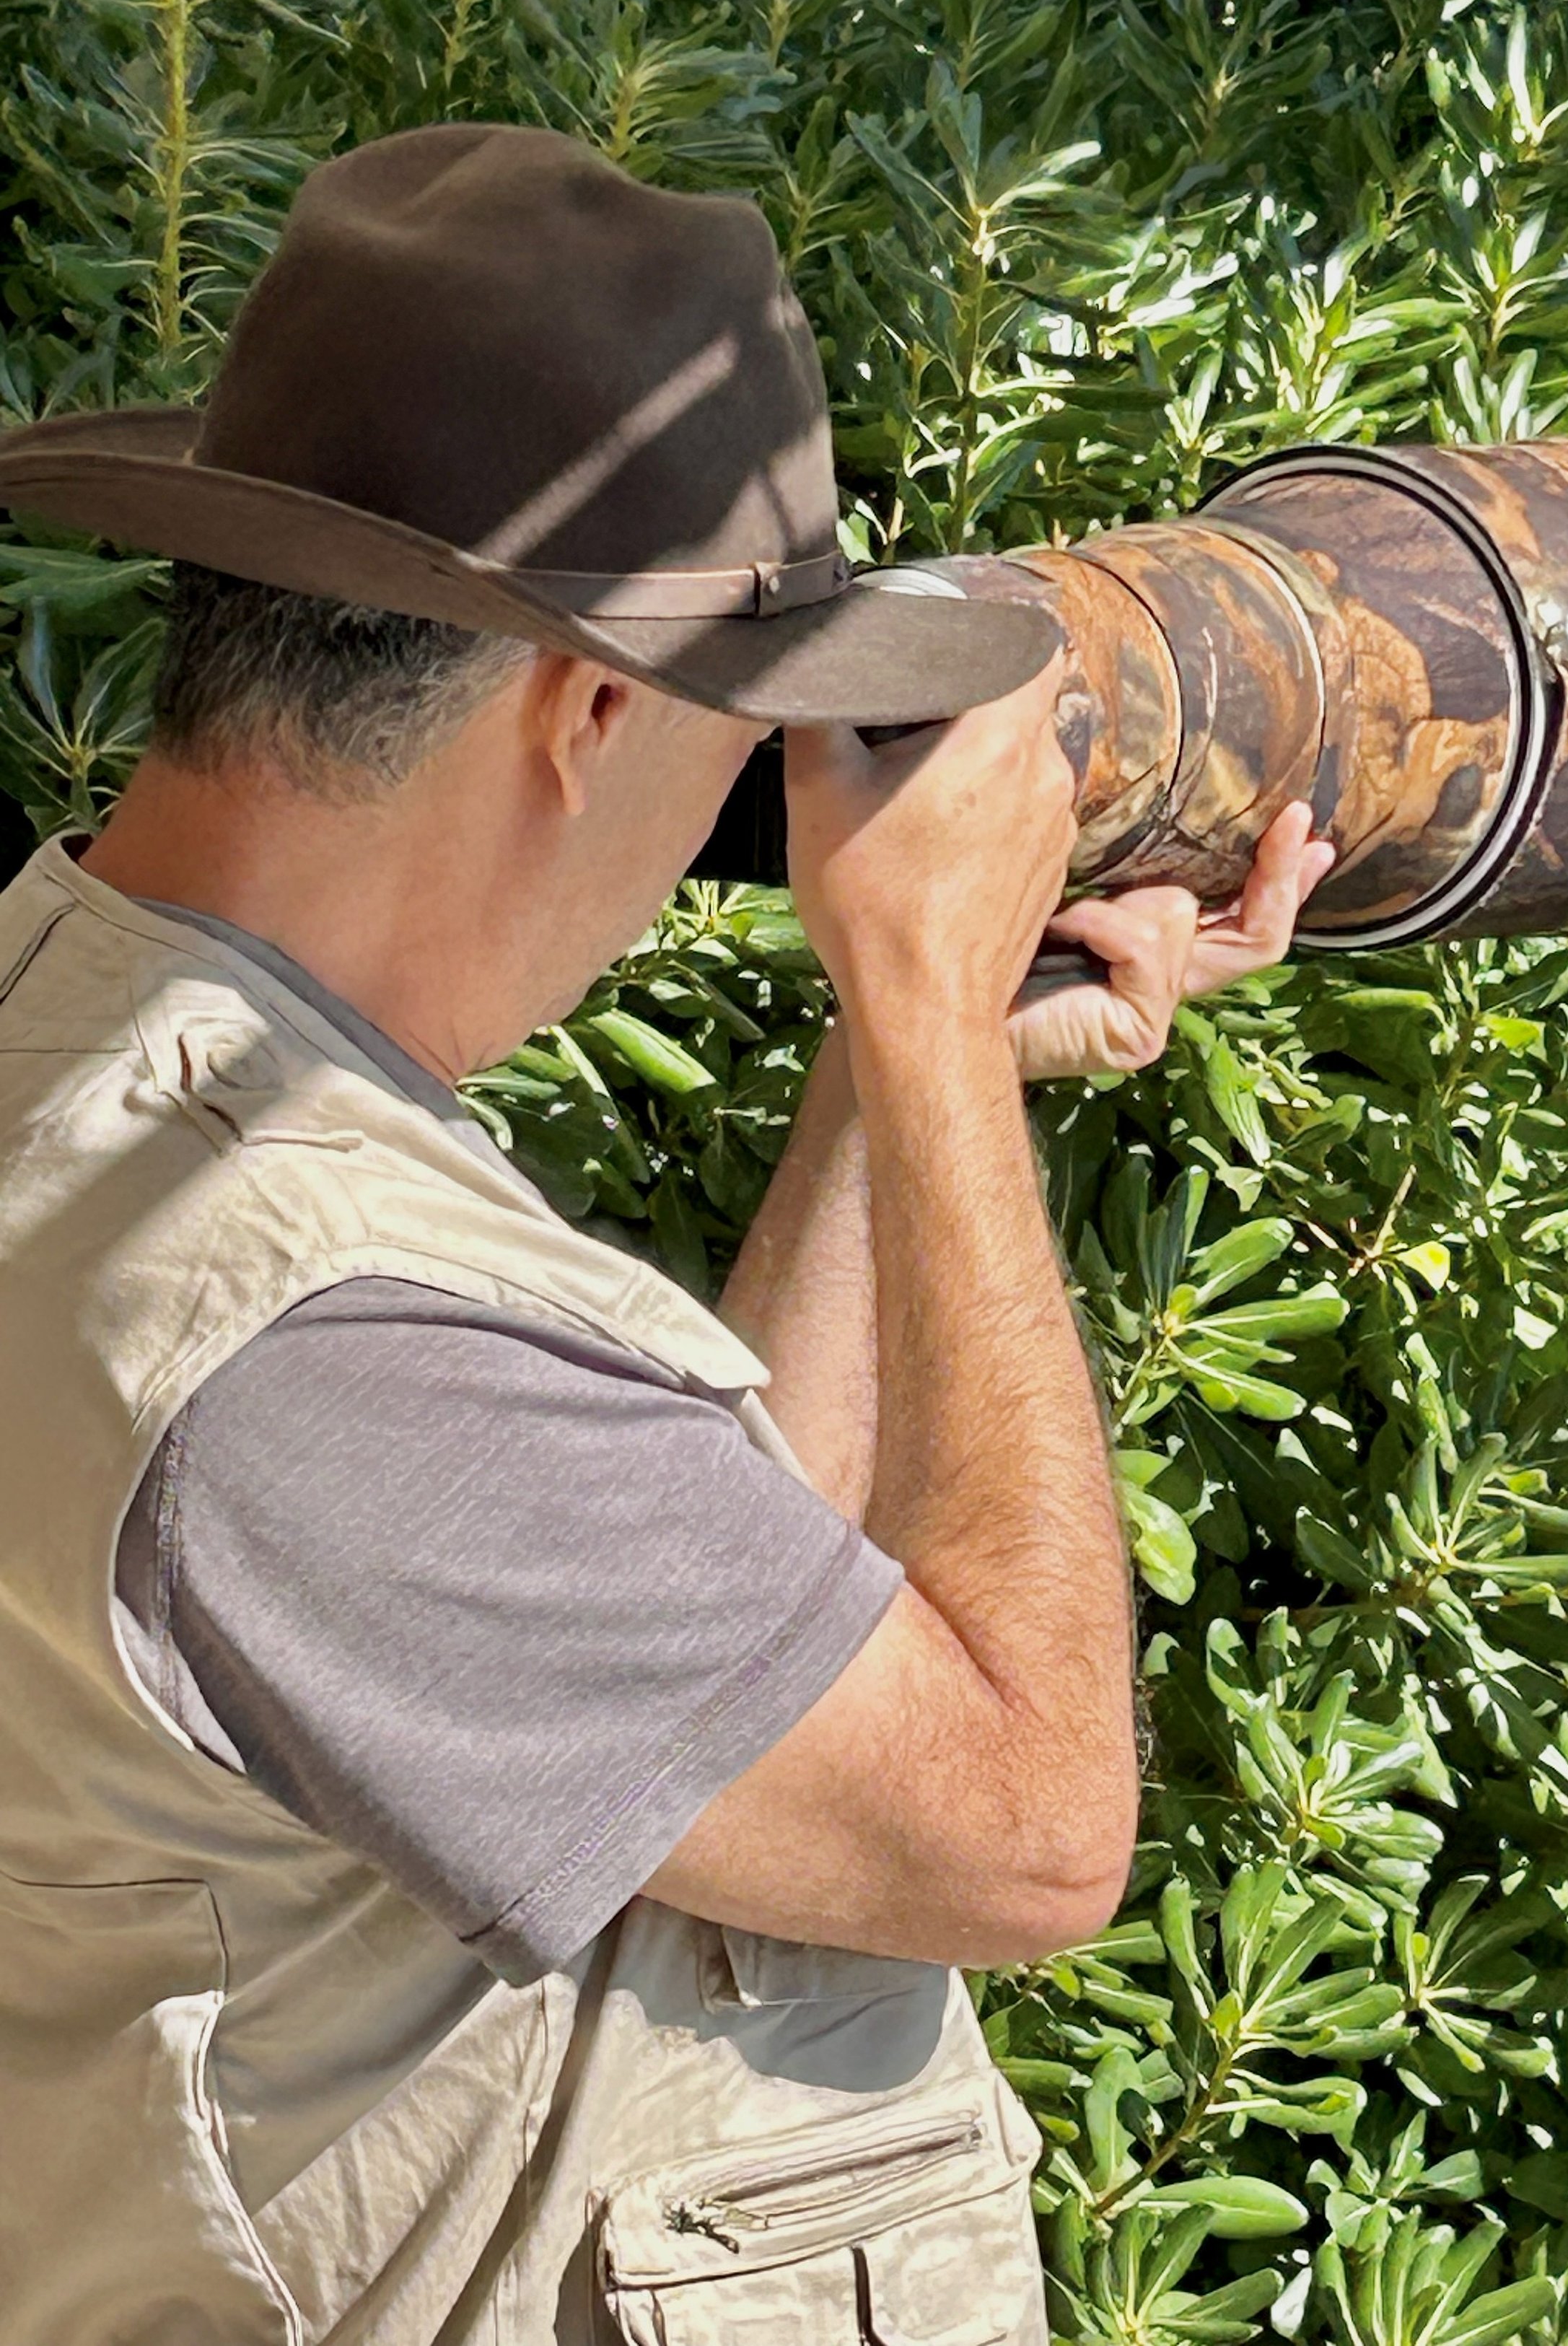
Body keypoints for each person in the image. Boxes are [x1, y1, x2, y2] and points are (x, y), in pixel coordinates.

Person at [0, 123, 1332, 2343]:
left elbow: (725, 1647)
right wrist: (907, 1002)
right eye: (764, 730)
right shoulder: (310, 1327)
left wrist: (914, 1091)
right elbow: (1015, 1832)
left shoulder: (115, 1088)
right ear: (595, 705)